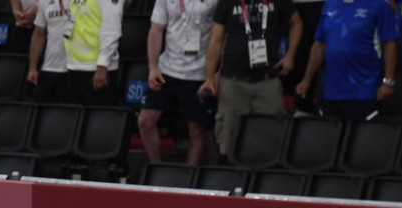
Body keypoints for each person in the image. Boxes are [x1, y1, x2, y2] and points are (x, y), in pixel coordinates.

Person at [202, 0, 301, 159]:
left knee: (273, 139)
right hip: (233, 80)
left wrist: (290, 56)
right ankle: (227, 173)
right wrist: (209, 77)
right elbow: (216, 39)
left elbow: (296, 23)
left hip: (268, 80)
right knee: (228, 140)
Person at [140, 0, 218, 164]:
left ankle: (191, 175)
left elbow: (222, 33)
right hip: (167, 71)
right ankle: (156, 168)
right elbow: (156, 29)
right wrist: (153, 67)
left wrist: (216, 73)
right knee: (145, 121)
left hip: (200, 74)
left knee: (197, 130)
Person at [296, 0, 398, 120]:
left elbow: (390, 44)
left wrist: (388, 82)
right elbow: (319, 45)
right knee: (328, 132)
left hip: (364, 91)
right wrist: (307, 79)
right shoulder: (329, 4)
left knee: (363, 132)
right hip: (331, 92)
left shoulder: (379, 5)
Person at [64, 0, 123, 104]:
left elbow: (111, 31)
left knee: (98, 113)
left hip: (96, 69)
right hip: (74, 66)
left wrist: (102, 65)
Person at [26, 0, 74, 102]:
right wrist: (33, 68)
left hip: (74, 69)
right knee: (42, 109)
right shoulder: (44, 1)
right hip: (49, 68)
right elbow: (39, 33)